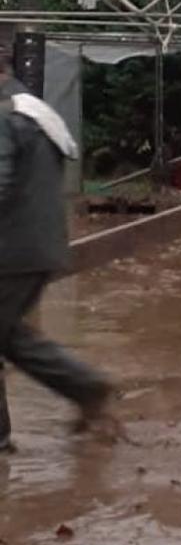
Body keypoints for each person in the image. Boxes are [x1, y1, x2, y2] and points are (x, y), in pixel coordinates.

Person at [0, 44, 113, 448]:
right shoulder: (32, 110)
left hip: (10, 251)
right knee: (11, 338)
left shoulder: (4, 113)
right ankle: (86, 389)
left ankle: (88, 388)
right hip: (36, 246)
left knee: (10, 336)